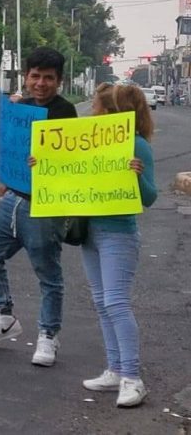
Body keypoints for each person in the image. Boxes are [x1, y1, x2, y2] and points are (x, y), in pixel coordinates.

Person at [0, 47, 75, 364]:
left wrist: (47, 160)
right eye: (35, 76)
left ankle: (48, 337)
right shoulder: (21, 107)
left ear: (58, 81)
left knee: (48, 274)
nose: (41, 83)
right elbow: (8, 146)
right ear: (26, 77)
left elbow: (72, 160)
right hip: (12, 199)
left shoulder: (65, 112)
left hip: (44, 206)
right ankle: (4, 316)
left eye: (48, 78)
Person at [72, 83, 157, 408]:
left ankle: (133, 378)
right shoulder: (92, 143)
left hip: (119, 234)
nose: (95, 112)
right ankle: (115, 369)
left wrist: (137, 174)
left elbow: (149, 198)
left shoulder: (137, 145)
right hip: (90, 231)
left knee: (117, 303)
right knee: (101, 302)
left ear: (115, 113)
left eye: (100, 107)